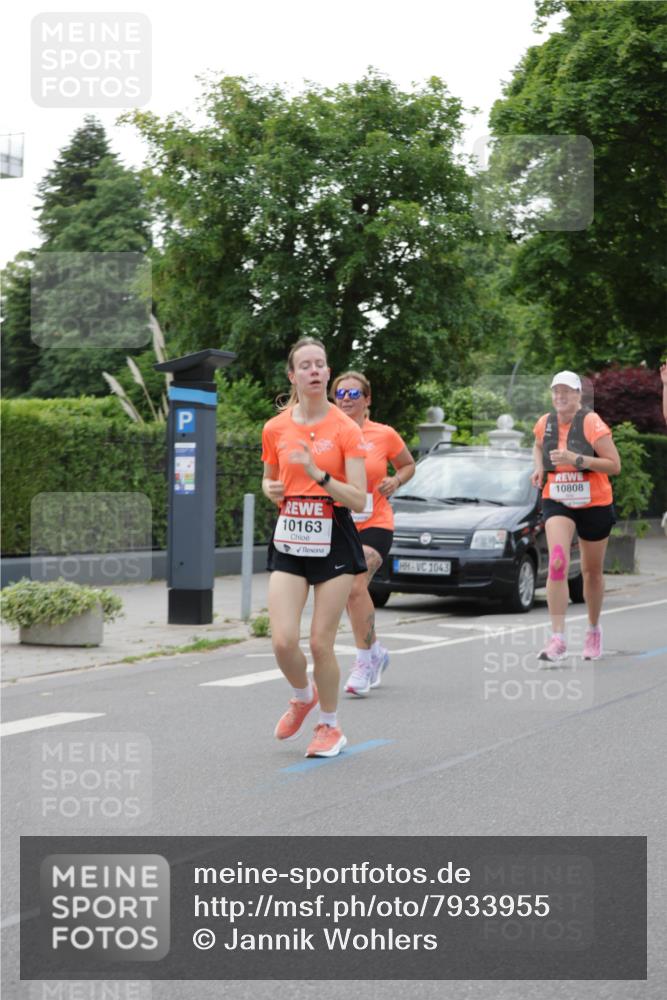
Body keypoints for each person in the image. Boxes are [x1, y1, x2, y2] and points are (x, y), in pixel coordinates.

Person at [261, 338, 368, 757]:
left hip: (334, 532)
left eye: (320, 364)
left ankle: (330, 726)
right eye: (305, 365)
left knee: (320, 642)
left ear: (327, 372)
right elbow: (270, 482)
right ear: (293, 375)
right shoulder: (275, 428)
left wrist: (317, 473)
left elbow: (358, 498)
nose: (314, 371)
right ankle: (302, 695)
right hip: (290, 532)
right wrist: (271, 489)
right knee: (283, 641)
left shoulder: (345, 428)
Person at [331, 371, 416, 695]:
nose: (347, 400)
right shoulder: (328, 434)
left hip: (375, 522)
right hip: (340, 523)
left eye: (354, 394)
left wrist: (396, 480)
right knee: (350, 593)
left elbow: (408, 464)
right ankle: (376, 650)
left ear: (367, 399)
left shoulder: (384, 435)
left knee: (355, 583)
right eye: (341, 394)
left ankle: (365, 660)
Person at [531, 371, 621, 662]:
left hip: (594, 502)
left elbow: (613, 465)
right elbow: (537, 445)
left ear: (578, 395)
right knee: (557, 560)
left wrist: (576, 459)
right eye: (556, 391)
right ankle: (557, 638)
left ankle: (593, 630)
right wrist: (539, 468)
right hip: (558, 499)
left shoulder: (591, 422)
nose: (560, 396)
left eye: (566, 391)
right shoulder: (545, 423)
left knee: (591, 572)